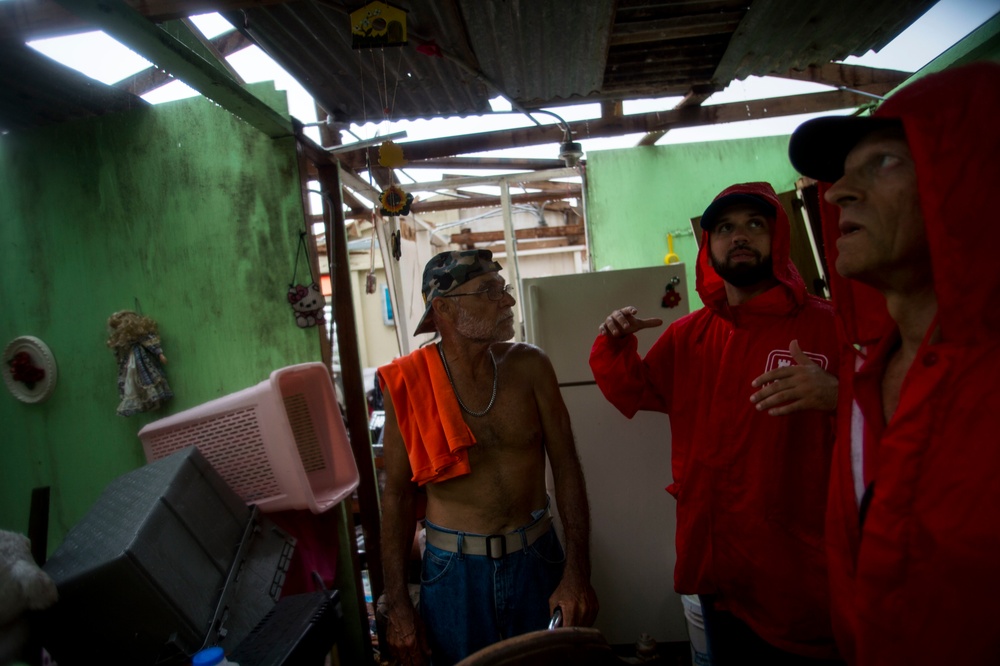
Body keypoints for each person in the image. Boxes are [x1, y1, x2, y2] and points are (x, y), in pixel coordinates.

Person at [788, 62, 1000, 665]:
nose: (835, 193)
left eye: (884, 162)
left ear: (972, 174)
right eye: (840, 176)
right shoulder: (865, 377)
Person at [590, 182, 842, 664]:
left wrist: (839, 395)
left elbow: (891, 418)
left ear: (779, 238)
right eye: (725, 228)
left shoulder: (828, 326)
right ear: (709, 246)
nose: (739, 236)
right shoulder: (690, 335)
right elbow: (636, 390)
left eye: (754, 224)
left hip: (798, 576)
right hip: (715, 567)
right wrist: (615, 345)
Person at [378, 249, 598, 666]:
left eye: (504, 288)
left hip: (538, 556)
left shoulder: (531, 366)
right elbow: (397, 497)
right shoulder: (408, 384)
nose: (508, 301)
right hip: (453, 573)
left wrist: (577, 572)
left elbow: (567, 467)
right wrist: (400, 609)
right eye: (489, 291)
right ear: (443, 308)